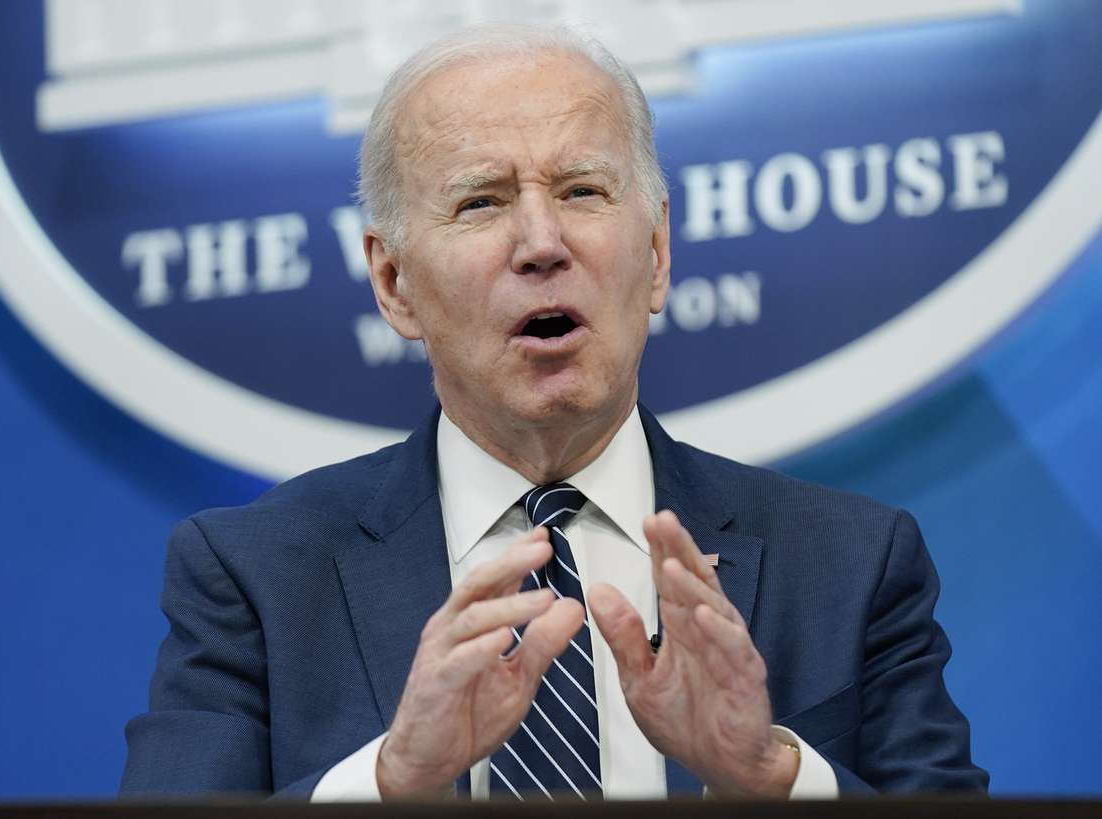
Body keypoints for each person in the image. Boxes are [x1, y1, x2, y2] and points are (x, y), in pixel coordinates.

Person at [120, 23, 987, 801]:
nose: (542, 243)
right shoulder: (257, 578)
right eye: (481, 201)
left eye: (581, 191)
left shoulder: (851, 563)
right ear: (393, 283)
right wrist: (390, 781)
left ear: (656, 253)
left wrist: (772, 777)